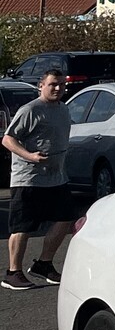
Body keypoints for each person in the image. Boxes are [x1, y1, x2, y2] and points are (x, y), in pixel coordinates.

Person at [4, 68, 74, 291]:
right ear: (41, 85)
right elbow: (8, 139)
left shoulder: (63, 109)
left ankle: (44, 264)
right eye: (53, 84)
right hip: (29, 179)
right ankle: (13, 273)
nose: (58, 88)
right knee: (23, 226)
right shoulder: (31, 110)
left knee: (66, 219)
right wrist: (30, 156)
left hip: (56, 178)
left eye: (62, 85)